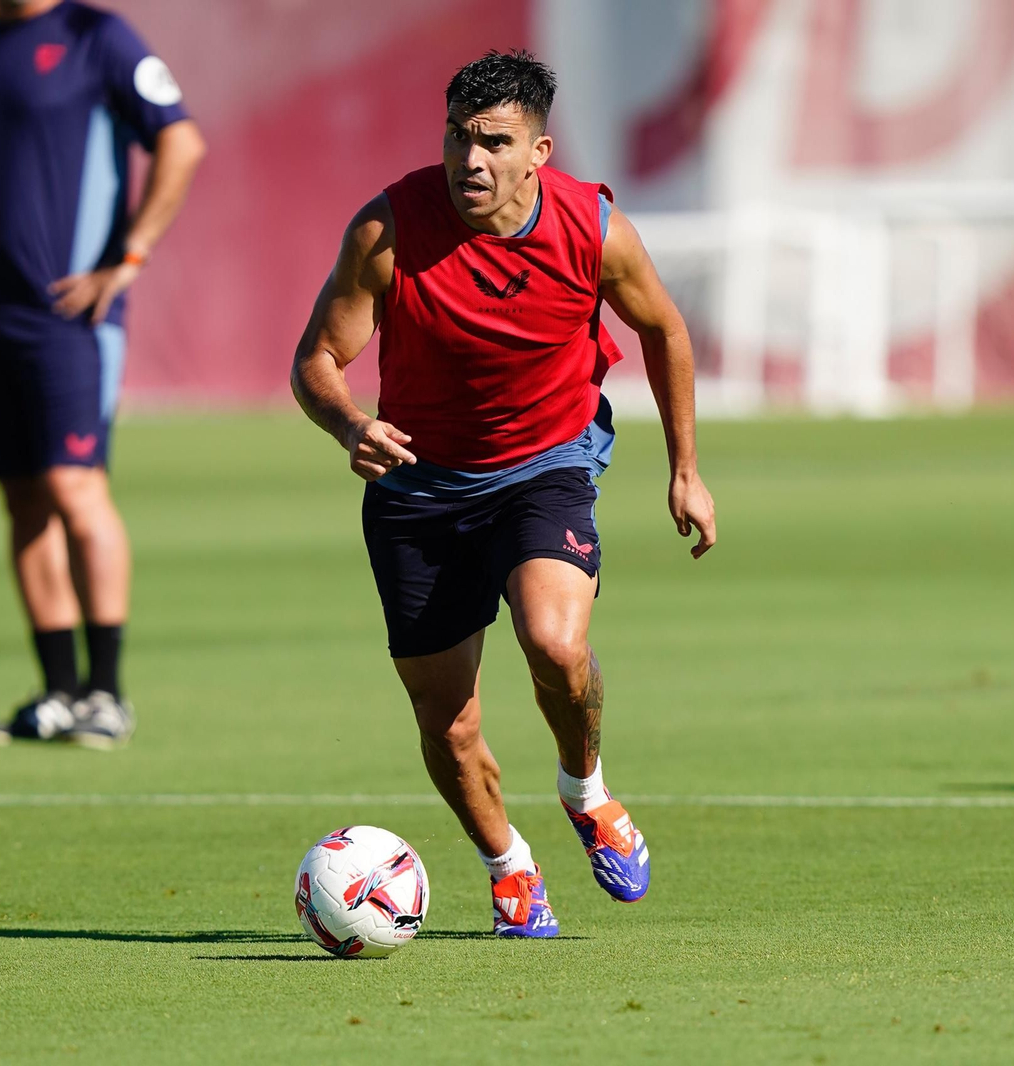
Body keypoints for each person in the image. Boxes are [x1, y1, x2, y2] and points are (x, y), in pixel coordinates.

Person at [291, 50, 717, 937]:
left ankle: (586, 790)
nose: (470, 160)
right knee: (448, 725)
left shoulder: (593, 227)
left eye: (494, 142)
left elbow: (665, 330)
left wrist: (685, 467)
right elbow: (317, 362)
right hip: (419, 485)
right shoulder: (388, 230)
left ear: (539, 153)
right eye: (457, 137)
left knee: (557, 645)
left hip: (545, 464)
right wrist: (347, 424)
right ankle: (508, 867)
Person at [0, 0, 205, 748]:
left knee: (74, 487)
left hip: (68, 316)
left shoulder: (96, 36)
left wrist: (130, 257)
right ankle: (57, 689)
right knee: (22, 500)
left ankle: (108, 694)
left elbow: (180, 141)